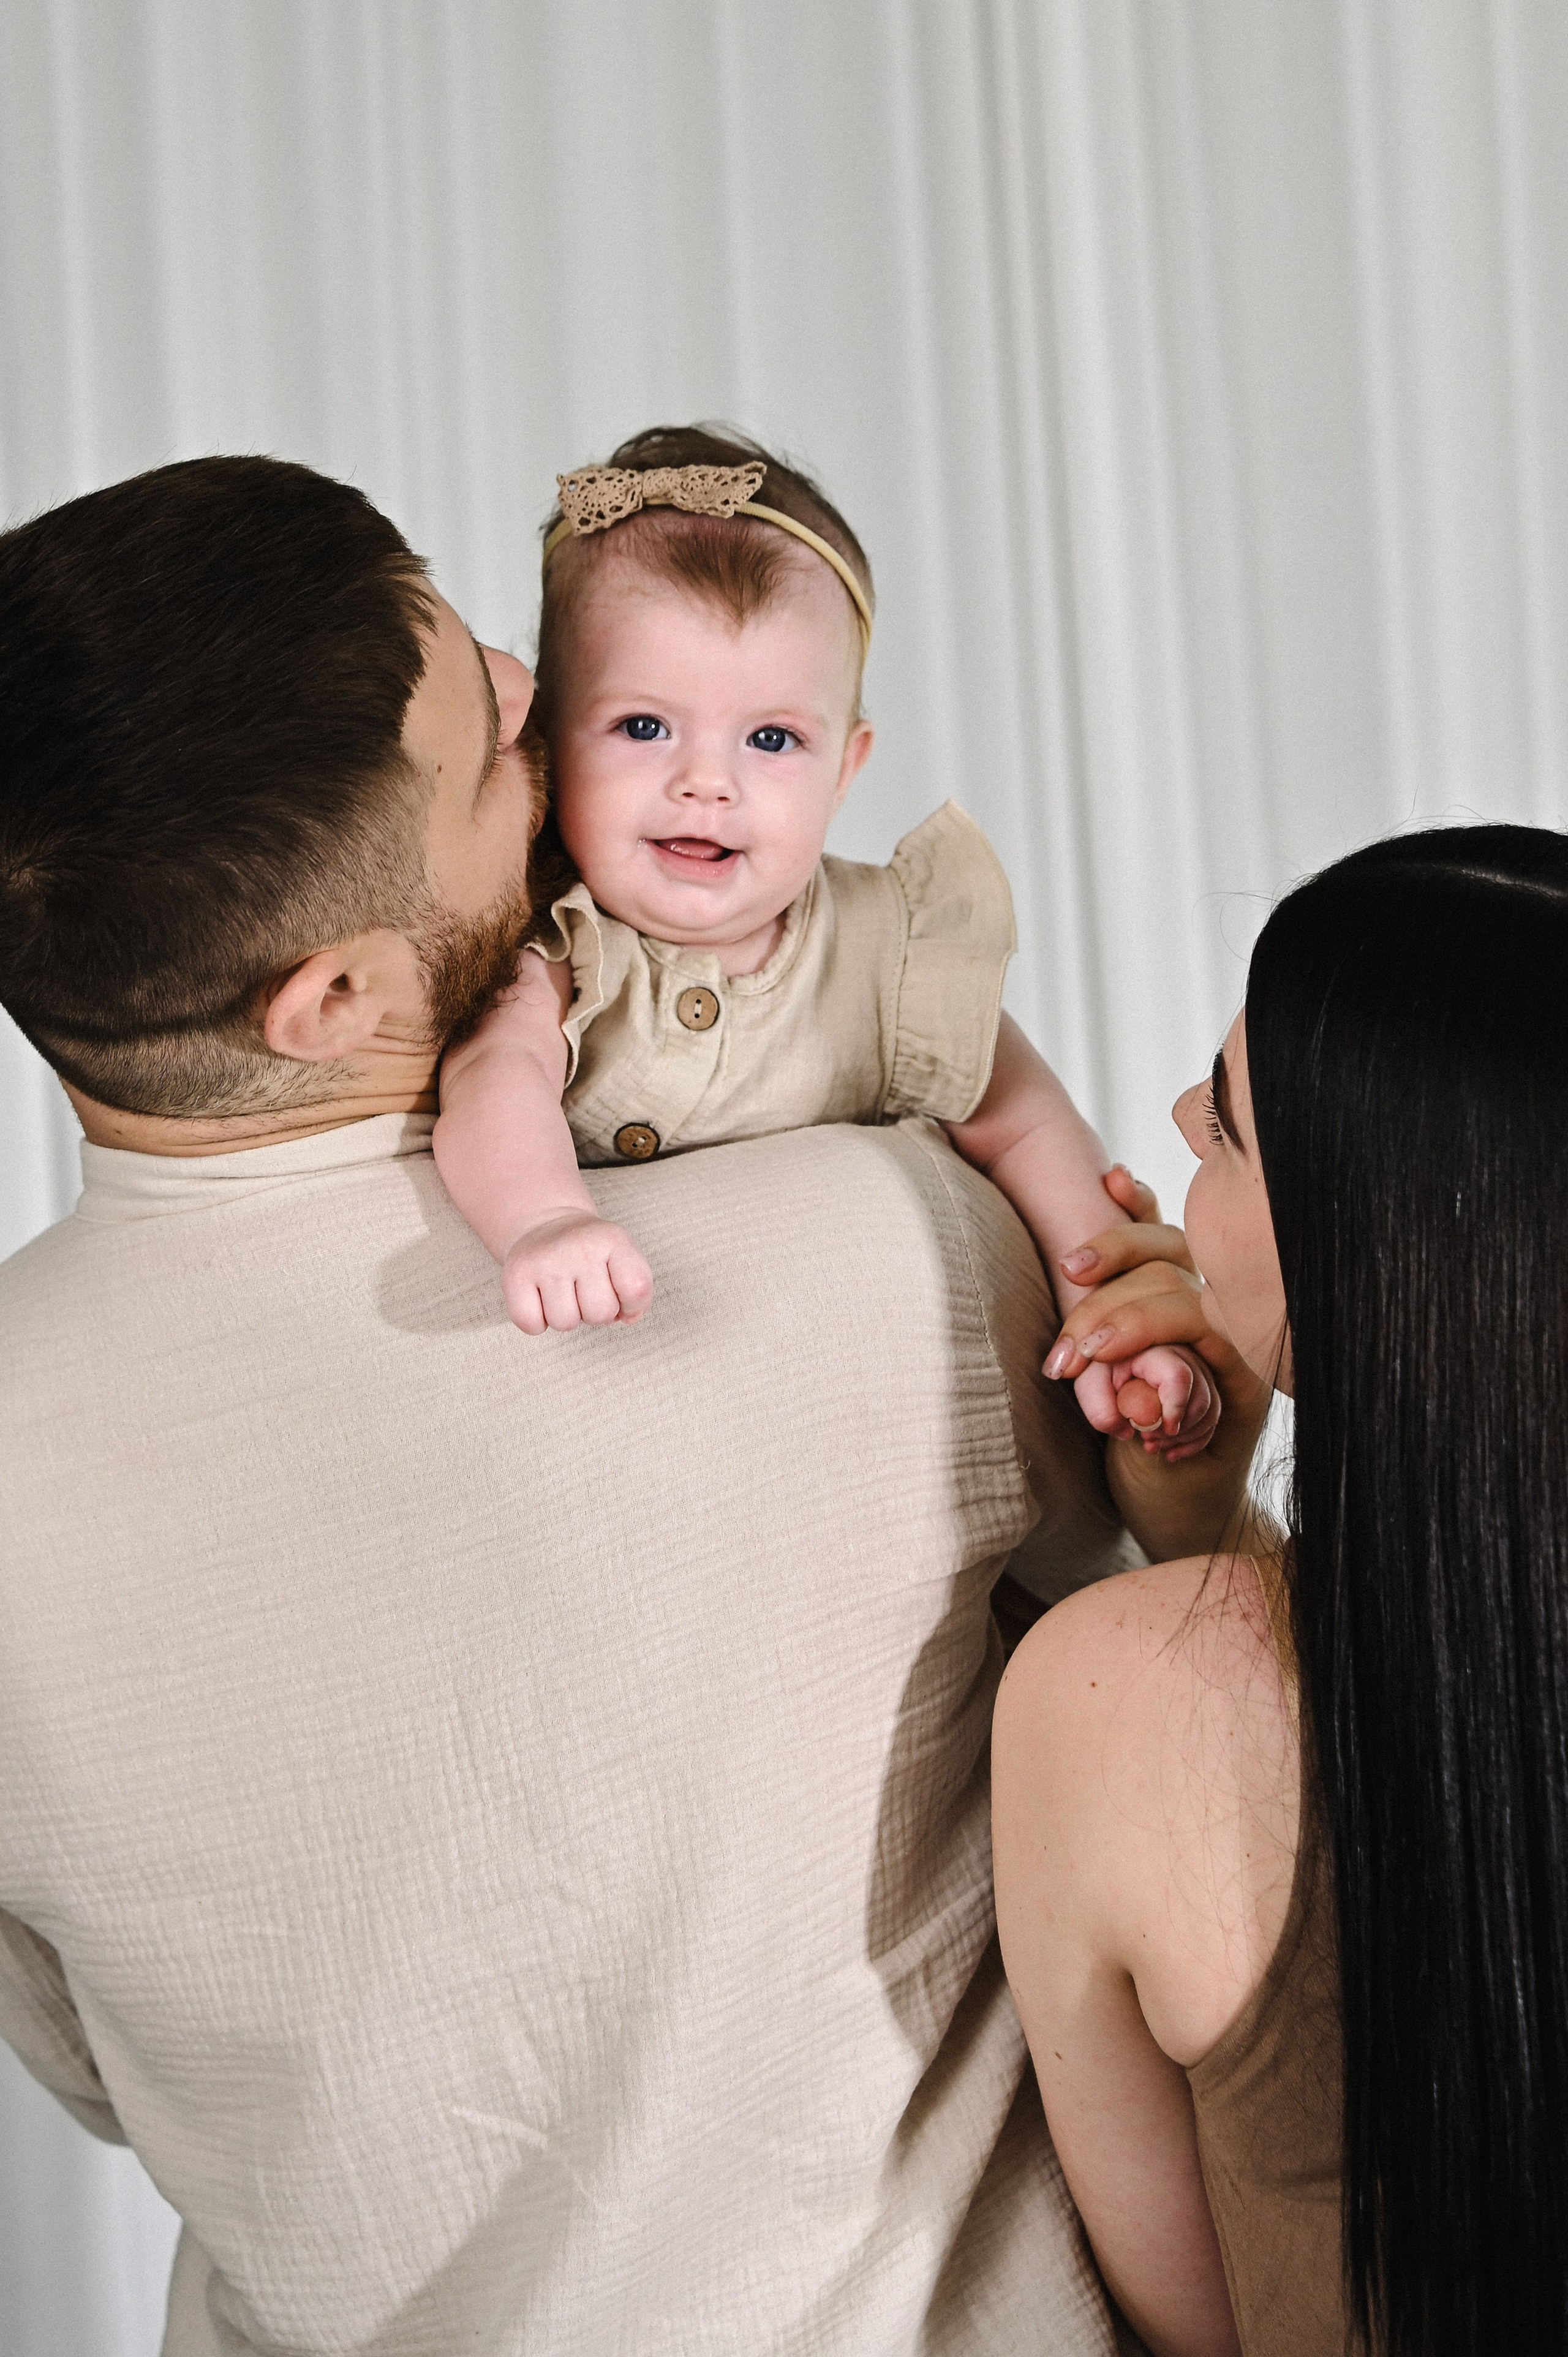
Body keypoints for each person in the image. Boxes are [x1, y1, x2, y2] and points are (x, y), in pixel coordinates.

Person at [0, 453, 1251, 2357]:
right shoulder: (879, 1253)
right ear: (332, 997)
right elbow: (1218, 1765)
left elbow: (99, 2070)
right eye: (498, 738)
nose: (536, 684)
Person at [994, 825, 1568, 2357]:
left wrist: (1199, 1568)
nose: (1177, 1115)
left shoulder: (1107, 1697)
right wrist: (1212, 1532)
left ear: (1367, 1254)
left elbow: (1214, 2318)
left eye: (1228, 1127)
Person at [432, 423, 1215, 1458]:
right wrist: (542, 1222)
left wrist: (1109, 1310)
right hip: (637, 1413)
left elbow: (1023, 1122)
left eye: (771, 740)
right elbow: (495, 1083)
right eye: (643, 728)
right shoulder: (561, 951)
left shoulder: (889, 950)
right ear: (548, 738)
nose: (706, 783)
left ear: (846, 769)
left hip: (858, 1416)